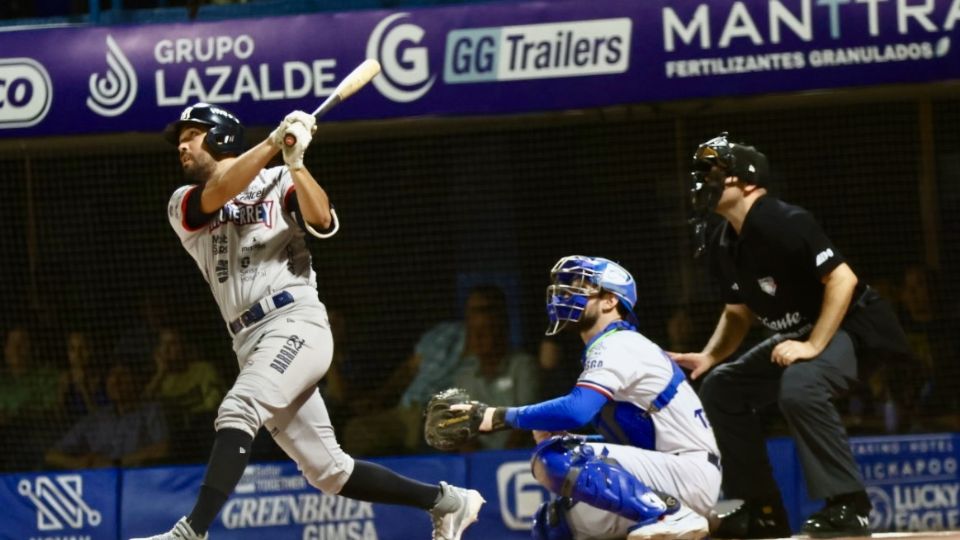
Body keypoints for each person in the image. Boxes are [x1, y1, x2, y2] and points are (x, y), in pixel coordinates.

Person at [132, 103, 482, 540]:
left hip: (296, 322)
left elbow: (322, 220)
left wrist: (295, 163)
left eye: (193, 134)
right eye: (179, 138)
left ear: (221, 136)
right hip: (249, 341)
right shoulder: (182, 202)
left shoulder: (278, 180)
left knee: (238, 408)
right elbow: (220, 189)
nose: (181, 144)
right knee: (328, 471)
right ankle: (448, 502)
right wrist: (274, 142)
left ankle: (191, 532)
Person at [672, 133, 913, 538]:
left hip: (857, 327)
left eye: (714, 174)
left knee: (800, 384)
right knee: (721, 388)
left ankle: (849, 507)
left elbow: (842, 278)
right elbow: (737, 313)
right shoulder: (723, 240)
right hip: (802, 334)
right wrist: (710, 356)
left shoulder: (781, 220)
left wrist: (814, 345)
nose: (703, 182)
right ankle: (760, 511)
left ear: (746, 180)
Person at [453, 255, 719, 540]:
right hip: (665, 470)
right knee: (552, 523)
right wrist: (568, 438)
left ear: (610, 301)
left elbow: (576, 410)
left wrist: (497, 416)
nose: (566, 294)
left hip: (687, 472)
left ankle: (668, 514)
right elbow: (634, 439)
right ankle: (669, 511)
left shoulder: (619, 343)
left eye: (581, 286)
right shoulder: (607, 347)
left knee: (558, 455)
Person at [45, 362, 170, 469]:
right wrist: (78, 463)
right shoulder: (96, 417)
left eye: (123, 375)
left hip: (135, 480)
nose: (115, 381)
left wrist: (116, 463)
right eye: (111, 375)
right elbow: (51, 455)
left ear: (136, 381)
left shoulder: (150, 411)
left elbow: (163, 448)